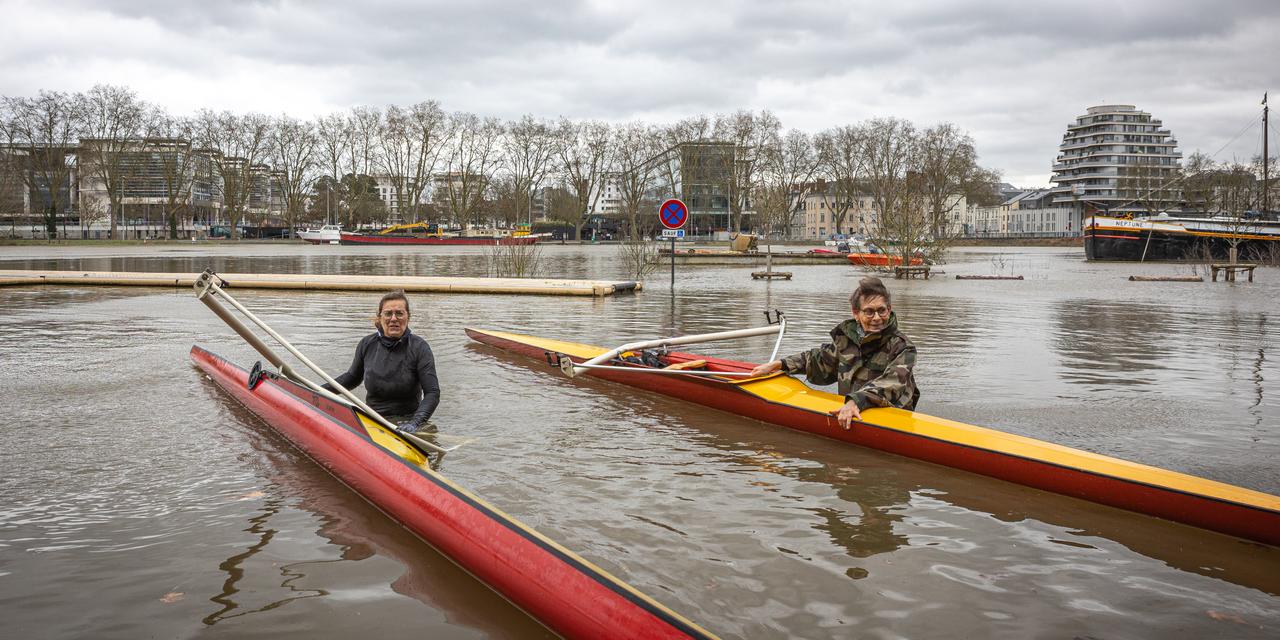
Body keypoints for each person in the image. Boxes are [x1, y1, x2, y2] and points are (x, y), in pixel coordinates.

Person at [749, 276, 918, 429]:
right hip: (851, 412)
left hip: (891, 419)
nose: (876, 318)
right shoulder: (845, 340)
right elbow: (819, 361)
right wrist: (780, 364)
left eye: (882, 310)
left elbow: (891, 383)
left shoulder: (903, 347)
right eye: (869, 311)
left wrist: (855, 401)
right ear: (856, 313)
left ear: (889, 309)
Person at [323, 290, 440, 433]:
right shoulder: (367, 344)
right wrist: (319, 391)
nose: (394, 319)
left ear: (408, 317)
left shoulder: (420, 348)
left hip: (406, 423)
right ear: (380, 317)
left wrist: (415, 423)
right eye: (388, 313)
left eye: (399, 313)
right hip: (372, 418)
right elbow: (352, 378)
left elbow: (432, 393)